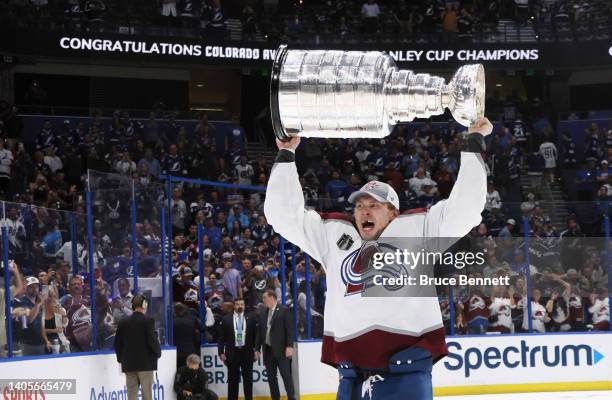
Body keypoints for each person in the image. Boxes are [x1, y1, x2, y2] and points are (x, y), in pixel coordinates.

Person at [263, 118, 492, 400]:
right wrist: (285, 156)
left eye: (373, 205)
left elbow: (466, 209)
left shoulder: (418, 229)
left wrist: (474, 142)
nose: (364, 211)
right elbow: (283, 217)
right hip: (351, 379)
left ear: (393, 212)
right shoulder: (334, 237)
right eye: (359, 206)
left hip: (405, 376)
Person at [114, 295, 162, 400]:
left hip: (129, 365)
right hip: (145, 364)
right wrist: (158, 353)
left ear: (132, 306)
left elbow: (118, 343)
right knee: (147, 395)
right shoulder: (148, 320)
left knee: (131, 396)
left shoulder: (123, 322)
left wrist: (120, 359)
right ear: (144, 305)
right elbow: (152, 340)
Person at [255, 290, 295, 400]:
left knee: (286, 377)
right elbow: (260, 333)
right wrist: (257, 349)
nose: (263, 300)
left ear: (272, 297)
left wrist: (290, 346)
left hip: (282, 350)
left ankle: (291, 397)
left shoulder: (284, 310)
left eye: (264, 297)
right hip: (268, 350)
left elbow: (289, 330)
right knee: (271, 379)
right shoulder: (263, 312)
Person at [217, 298, 259, 400]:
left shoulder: (252, 318)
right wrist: (221, 352)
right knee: (232, 381)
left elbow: (256, 336)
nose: (240, 306)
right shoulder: (226, 319)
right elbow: (221, 338)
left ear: (244, 306)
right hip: (232, 353)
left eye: (242, 304)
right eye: (237, 304)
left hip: (247, 352)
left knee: (248, 380)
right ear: (234, 306)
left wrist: (257, 350)